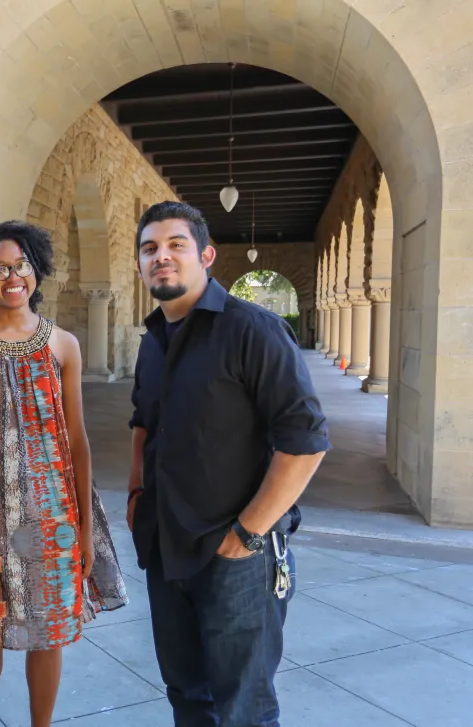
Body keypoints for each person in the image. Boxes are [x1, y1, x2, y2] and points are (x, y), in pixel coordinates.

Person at [127, 201, 331, 727]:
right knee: (188, 697)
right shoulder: (153, 341)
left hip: (237, 555)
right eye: (150, 248)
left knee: (244, 708)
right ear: (140, 264)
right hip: (166, 545)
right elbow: (142, 424)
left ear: (207, 256)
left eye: (176, 245)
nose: (161, 257)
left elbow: (305, 440)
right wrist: (135, 495)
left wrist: (249, 533)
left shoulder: (254, 330)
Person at [0, 220, 128, 727]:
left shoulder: (63, 345)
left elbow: (78, 441)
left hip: (54, 516)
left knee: (51, 629)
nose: (11, 276)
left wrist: (86, 528)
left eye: (19, 265)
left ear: (36, 271)